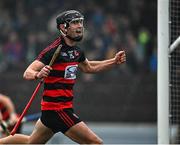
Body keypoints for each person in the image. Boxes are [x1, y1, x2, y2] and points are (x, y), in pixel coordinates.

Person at [0, 10, 126, 144]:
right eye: (75, 23)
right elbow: (27, 72)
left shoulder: (77, 51)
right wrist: (38, 74)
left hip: (54, 110)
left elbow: (89, 67)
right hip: (58, 110)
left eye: (80, 22)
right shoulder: (53, 50)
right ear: (63, 27)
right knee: (95, 143)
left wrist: (113, 61)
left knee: (31, 142)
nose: (79, 26)